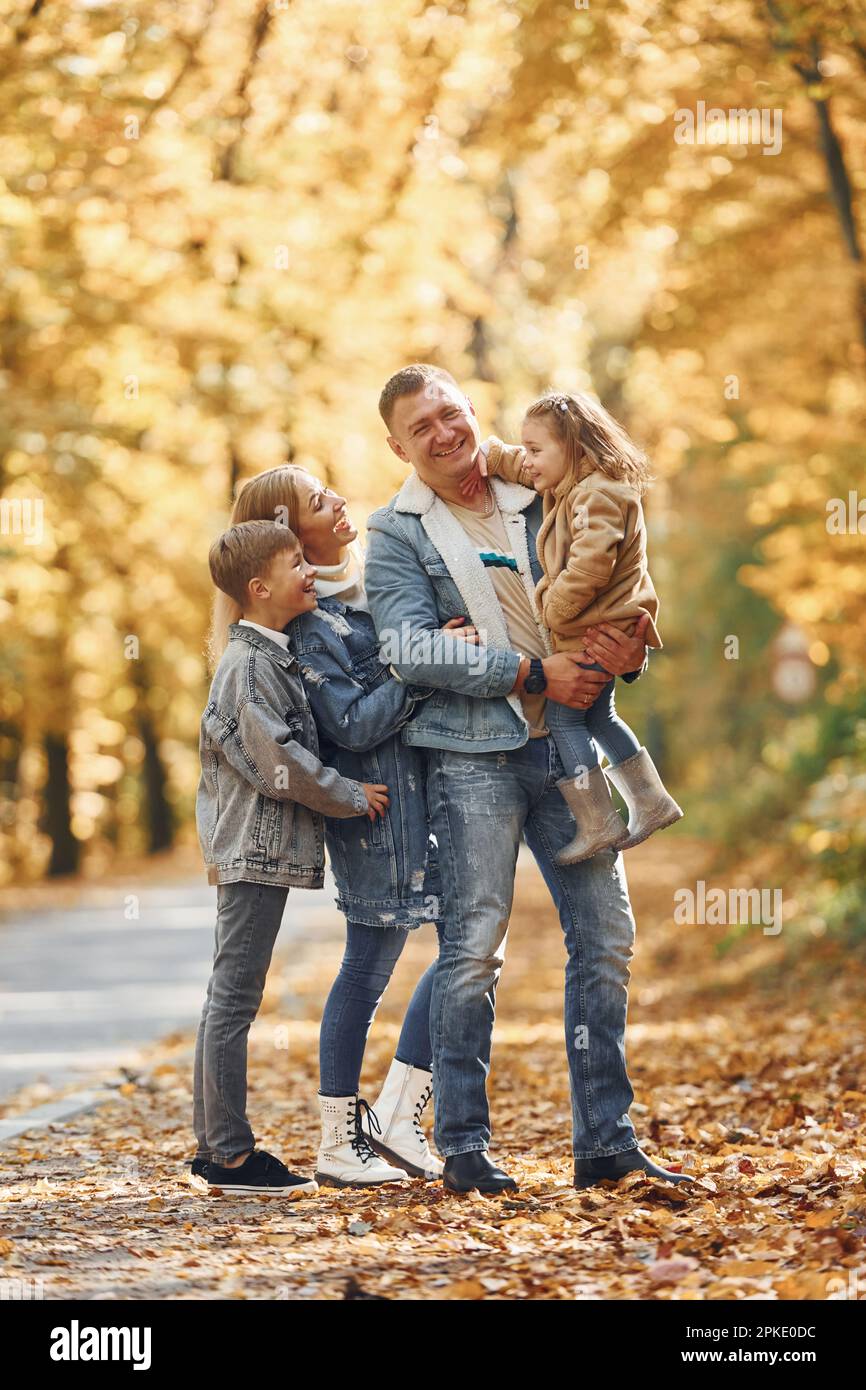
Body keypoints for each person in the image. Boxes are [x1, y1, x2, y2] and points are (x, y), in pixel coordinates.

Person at [364, 363, 694, 1194]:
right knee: (474, 950)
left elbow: (614, 575)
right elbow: (406, 648)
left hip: (569, 750)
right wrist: (527, 672)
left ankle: (606, 1142)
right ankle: (466, 1148)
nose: (444, 433)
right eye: (421, 427)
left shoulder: (543, 483)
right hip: (473, 758)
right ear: (398, 445)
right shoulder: (398, 531)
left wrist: (630, 647)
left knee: (607, 942)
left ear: (469, 409)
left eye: (451, 412)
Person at [212, 467, 476, 1186]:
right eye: (317, 501)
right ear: (287, 544)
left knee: (472, 943)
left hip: (422, 797)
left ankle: (396, 1109)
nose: (339, 500)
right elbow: (346, 727)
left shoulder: (376, 576)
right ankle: (336, 1132)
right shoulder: (302, 632)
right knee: (371, 964)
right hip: (379, 812)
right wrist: (420, 667)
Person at [191, 519, 387, 1196]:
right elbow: (280, 763)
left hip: (258, 849)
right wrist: (351, 795)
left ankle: (220, 1147)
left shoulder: (270, 653)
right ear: (259, 587)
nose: (310, 571)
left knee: (233, 994)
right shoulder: (248, 666)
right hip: (251, 849)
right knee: (233, 995)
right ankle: (227, 1155)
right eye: (297, 562)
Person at [462, 389, 683, 865]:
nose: (530, 461)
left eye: (537, 450)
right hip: (604, 624)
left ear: (575, 448)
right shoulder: (572, 483)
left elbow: (590, 566)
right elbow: (524, 464)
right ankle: (650, 800)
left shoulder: (596, 495)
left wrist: (554, 608)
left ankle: (598, 819)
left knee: (565, 718)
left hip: (596, 626)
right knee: (600, 717)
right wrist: (493, 455)